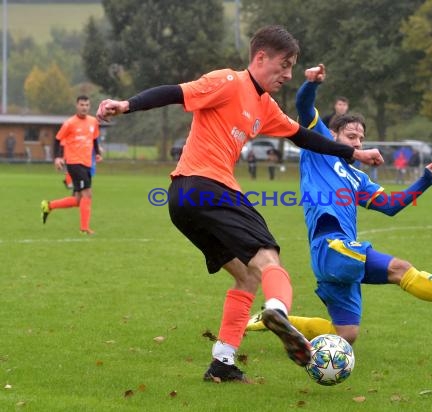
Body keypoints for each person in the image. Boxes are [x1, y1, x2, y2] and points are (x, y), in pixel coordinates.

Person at [95, 25, 382, 383]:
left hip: (183, 201)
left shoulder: (265, 105)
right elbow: (175, 92)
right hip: (207, 186)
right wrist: (127, 105)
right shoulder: (229, 81)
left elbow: (305, 137)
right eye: (284, 64)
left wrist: (354, 152)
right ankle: (277, 311)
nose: (288, 74)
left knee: (247, 275)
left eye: (292, 67)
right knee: (269, 260)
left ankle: (222, 363)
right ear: (261, 57)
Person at [247, 64, 432, 345]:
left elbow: (391, 205)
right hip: (331, 246)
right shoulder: (319, 147)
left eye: (360, 138)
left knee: (346, 334)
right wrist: (312, 84)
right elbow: (304, 106)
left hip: (336, 254)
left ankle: (273, 319)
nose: (358, 142)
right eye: (351, 137)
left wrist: (426, 179)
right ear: (333, 136)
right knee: (400, 269)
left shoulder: (358, 178)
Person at [41, 95, 102, 234]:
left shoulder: (93, 122)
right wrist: (57, 157)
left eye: (86, 105)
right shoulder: (70, 123)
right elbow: (57, 140)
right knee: (88, 194)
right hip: (74, 163)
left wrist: (97, 153)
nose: (84, 107)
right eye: (81, 105)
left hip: (87, 163)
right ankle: (84, 228)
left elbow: (94, 139)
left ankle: (49, 206)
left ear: (89, 106)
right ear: (77, 106)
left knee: (78, 200)